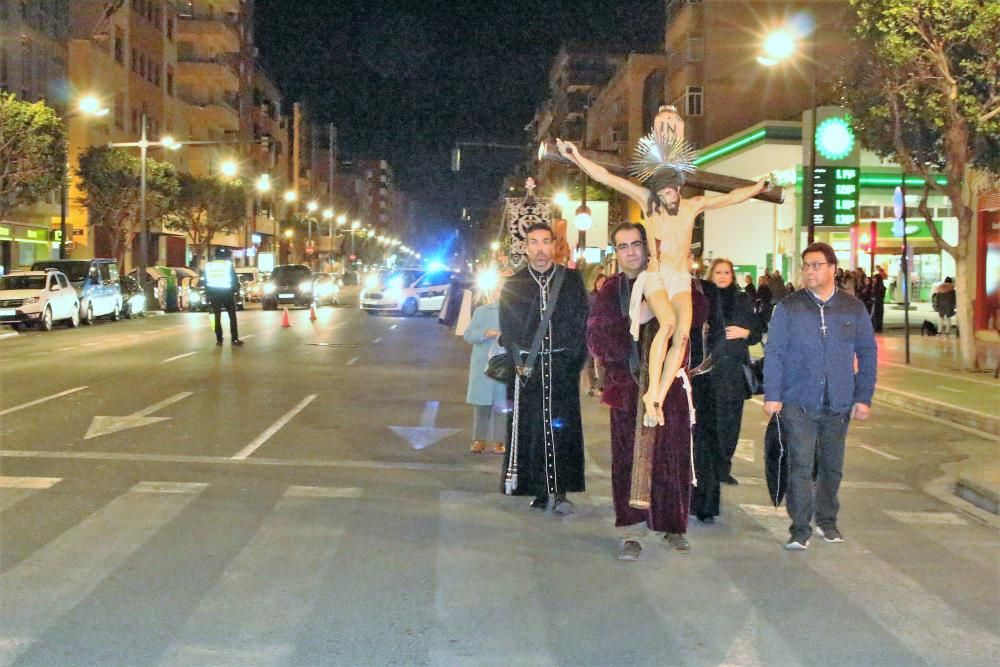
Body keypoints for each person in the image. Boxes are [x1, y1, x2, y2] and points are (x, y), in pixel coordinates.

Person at [557, 107, 768, 429]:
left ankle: (659, 393)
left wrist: (756, 188)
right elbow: (605, 177)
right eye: (663, 189)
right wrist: (575, 156)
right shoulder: (646, 200)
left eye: (672, 188)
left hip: (680, 278)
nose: (668, 193)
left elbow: (729, 199)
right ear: (656, 188)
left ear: (679, 187)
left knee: (682, 336)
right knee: (667, 325)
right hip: (655, 276)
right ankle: (651, 390)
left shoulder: (692, 206)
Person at [587, 222, 698, 556]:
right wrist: (636, 319)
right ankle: (631, 531)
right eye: (623, 246)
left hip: (669, 391)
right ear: (616, 253)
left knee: (671, 457)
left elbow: (692, 327)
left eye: (636, 243)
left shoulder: (672, 280)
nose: (631, 251)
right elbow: (597, 341)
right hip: (627, 388)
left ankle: (671, 524)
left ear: (648, 247)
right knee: (628, 462)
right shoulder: (611, 291)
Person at [763, 242, 877, 550]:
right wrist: (772, 394)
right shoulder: (789, 307)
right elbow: (774, 352)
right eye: (805, 266)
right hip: (797, 400)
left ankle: (828, 521)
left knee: (831, 465)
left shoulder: (852, 308)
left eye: (815, 265)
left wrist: (863, 396)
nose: (809, 271)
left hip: (839, 400)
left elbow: (867, 353)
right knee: (799, 464)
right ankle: (800, 528)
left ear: (832, 269)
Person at [499, 223, 589, 514]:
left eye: (545, 242)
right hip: (529, 370)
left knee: (563, 429)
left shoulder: (571, 281)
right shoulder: (514, 284)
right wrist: (519, 362)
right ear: (526, 247)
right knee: (533, 429)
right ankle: (538, 488)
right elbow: (508, 328)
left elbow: (581, 323)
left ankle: (561, 490)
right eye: (534, 242)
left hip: (562, 368)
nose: (540, 248)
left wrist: (574, 362)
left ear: (554, 245)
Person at [692, 259, 761, 508]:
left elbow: (756, 329)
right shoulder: (703, 297)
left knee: (732, 419)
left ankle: (724, 466)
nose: (722, 276)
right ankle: (709, 467)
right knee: (712, 420)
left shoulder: (742, 299)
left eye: (727, 272)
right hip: (710, 369)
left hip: (734, 367)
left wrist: (745, 333)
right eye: (718, 272)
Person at [464, 277, 508, 455]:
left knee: (502, 405)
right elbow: (468, 334)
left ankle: (500, 441)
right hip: (483, 365)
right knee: (481, 406)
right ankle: (478, 440)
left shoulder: (516, 315)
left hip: (505, 364)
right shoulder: (481, 311)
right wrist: (484, 333)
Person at [202, 248, 243, 346]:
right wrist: (237, 292)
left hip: (214, 293)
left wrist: (207, 294)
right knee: (232, 316)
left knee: (216, 317)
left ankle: (219, 340)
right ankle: (234, 339)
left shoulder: (209, 265)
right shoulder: (227, 265)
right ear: (225, 256)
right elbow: (234, 280)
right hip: (227, 293)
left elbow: (205, 281)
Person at [583, 274, 608, 396]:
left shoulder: (609, 298)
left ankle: (600, 386)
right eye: (599, 281)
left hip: (604, 332)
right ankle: (591, 386)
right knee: (589, 360)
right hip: (589, 331)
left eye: (603, 282)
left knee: (602, 360)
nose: (600, 284)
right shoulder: (590, 297)